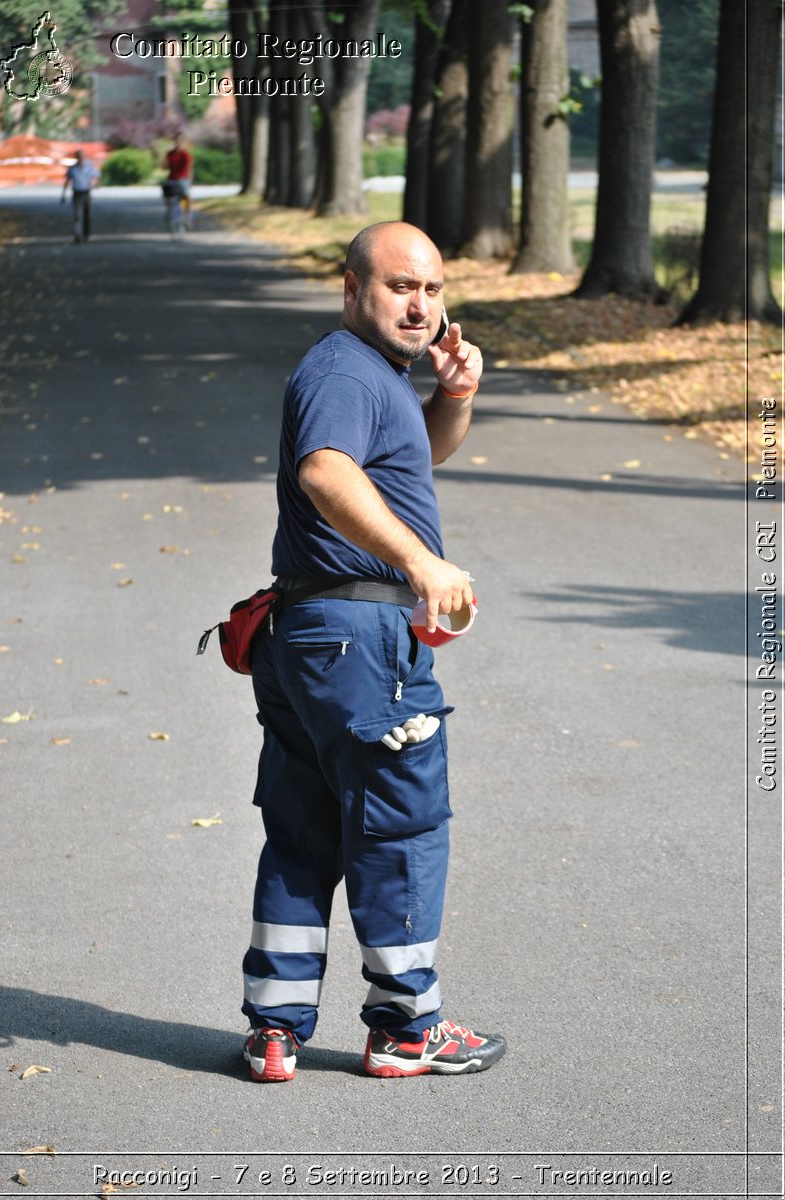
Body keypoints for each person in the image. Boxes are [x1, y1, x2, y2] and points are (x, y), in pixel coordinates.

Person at [241, 221, 506, 1083]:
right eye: (400, 287)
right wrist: (420, 560)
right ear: (351, 288)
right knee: (401, 828)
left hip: (314, 637)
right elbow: (327, 472)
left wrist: (452, 398)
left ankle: (274, 1029)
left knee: (304, 832)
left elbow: (399, 467)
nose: (420, 305)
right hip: (359, 642)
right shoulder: (341, 370)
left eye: (432, 290)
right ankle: (405, 1027)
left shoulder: (375, 376)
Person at [61, 149, 99, 243]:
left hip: (86, 192)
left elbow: (96, 176)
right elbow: (67, 181)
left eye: (82, 157)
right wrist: (63, 194)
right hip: (77, 193)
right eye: (79, 157)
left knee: (87, 214)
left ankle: (86, 234)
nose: (81, 159)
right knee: (77, 215)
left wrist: (94, 184)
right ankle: (77, 234)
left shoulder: (89, 166)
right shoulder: (72, 168)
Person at [163, 133, 193, 228]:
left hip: (182, 179)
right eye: (176, 141)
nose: (178, 143)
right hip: (171, 178)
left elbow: (189, 168)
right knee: (167, 194)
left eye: (180, 141)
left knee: (185, 198)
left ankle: (187, 218)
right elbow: (165, 166)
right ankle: (169, 211)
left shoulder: (185, 154)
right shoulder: (170, 154)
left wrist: (189, 181)